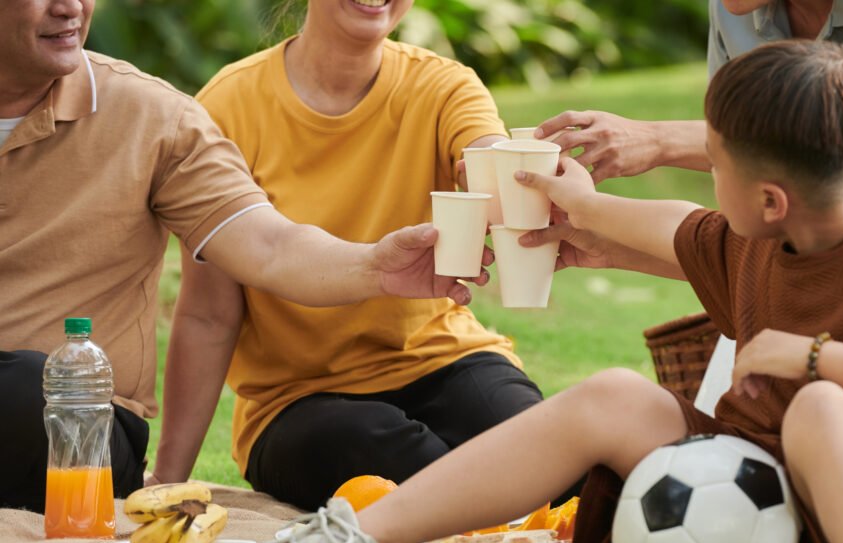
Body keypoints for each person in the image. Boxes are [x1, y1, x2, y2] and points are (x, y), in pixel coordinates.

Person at [227, 41, 843, 543]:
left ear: (770, 199)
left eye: (718, 167)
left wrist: (819, 359)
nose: (709, 188)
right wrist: (586, 210)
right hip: (771, 506)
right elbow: (675, 226)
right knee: (612, 395)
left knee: (821, 404)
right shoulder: (772, 235)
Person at [0, 0, 485, 513]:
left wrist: (374, 266)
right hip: (297, 413)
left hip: (73, 430)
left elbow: (268, 245)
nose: (70, 6)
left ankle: (490, 506)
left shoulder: (154, 119)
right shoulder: (235, 95)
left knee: (29, 388)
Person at [148, 0, 543, 511]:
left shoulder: (445, 85)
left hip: (443, 358)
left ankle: (494, 512)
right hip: (296, 403)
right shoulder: (228, 104)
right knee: (381, 446)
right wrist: (165, 479)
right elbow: (207, 313)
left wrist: (506, 179)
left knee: (534, 444)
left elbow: (485, 154)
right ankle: (495, 512)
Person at [534, 0, 843, 183]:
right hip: (807, 245)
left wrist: (658, 141)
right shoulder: (737, 9)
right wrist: (590, 221)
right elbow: (740, 165)